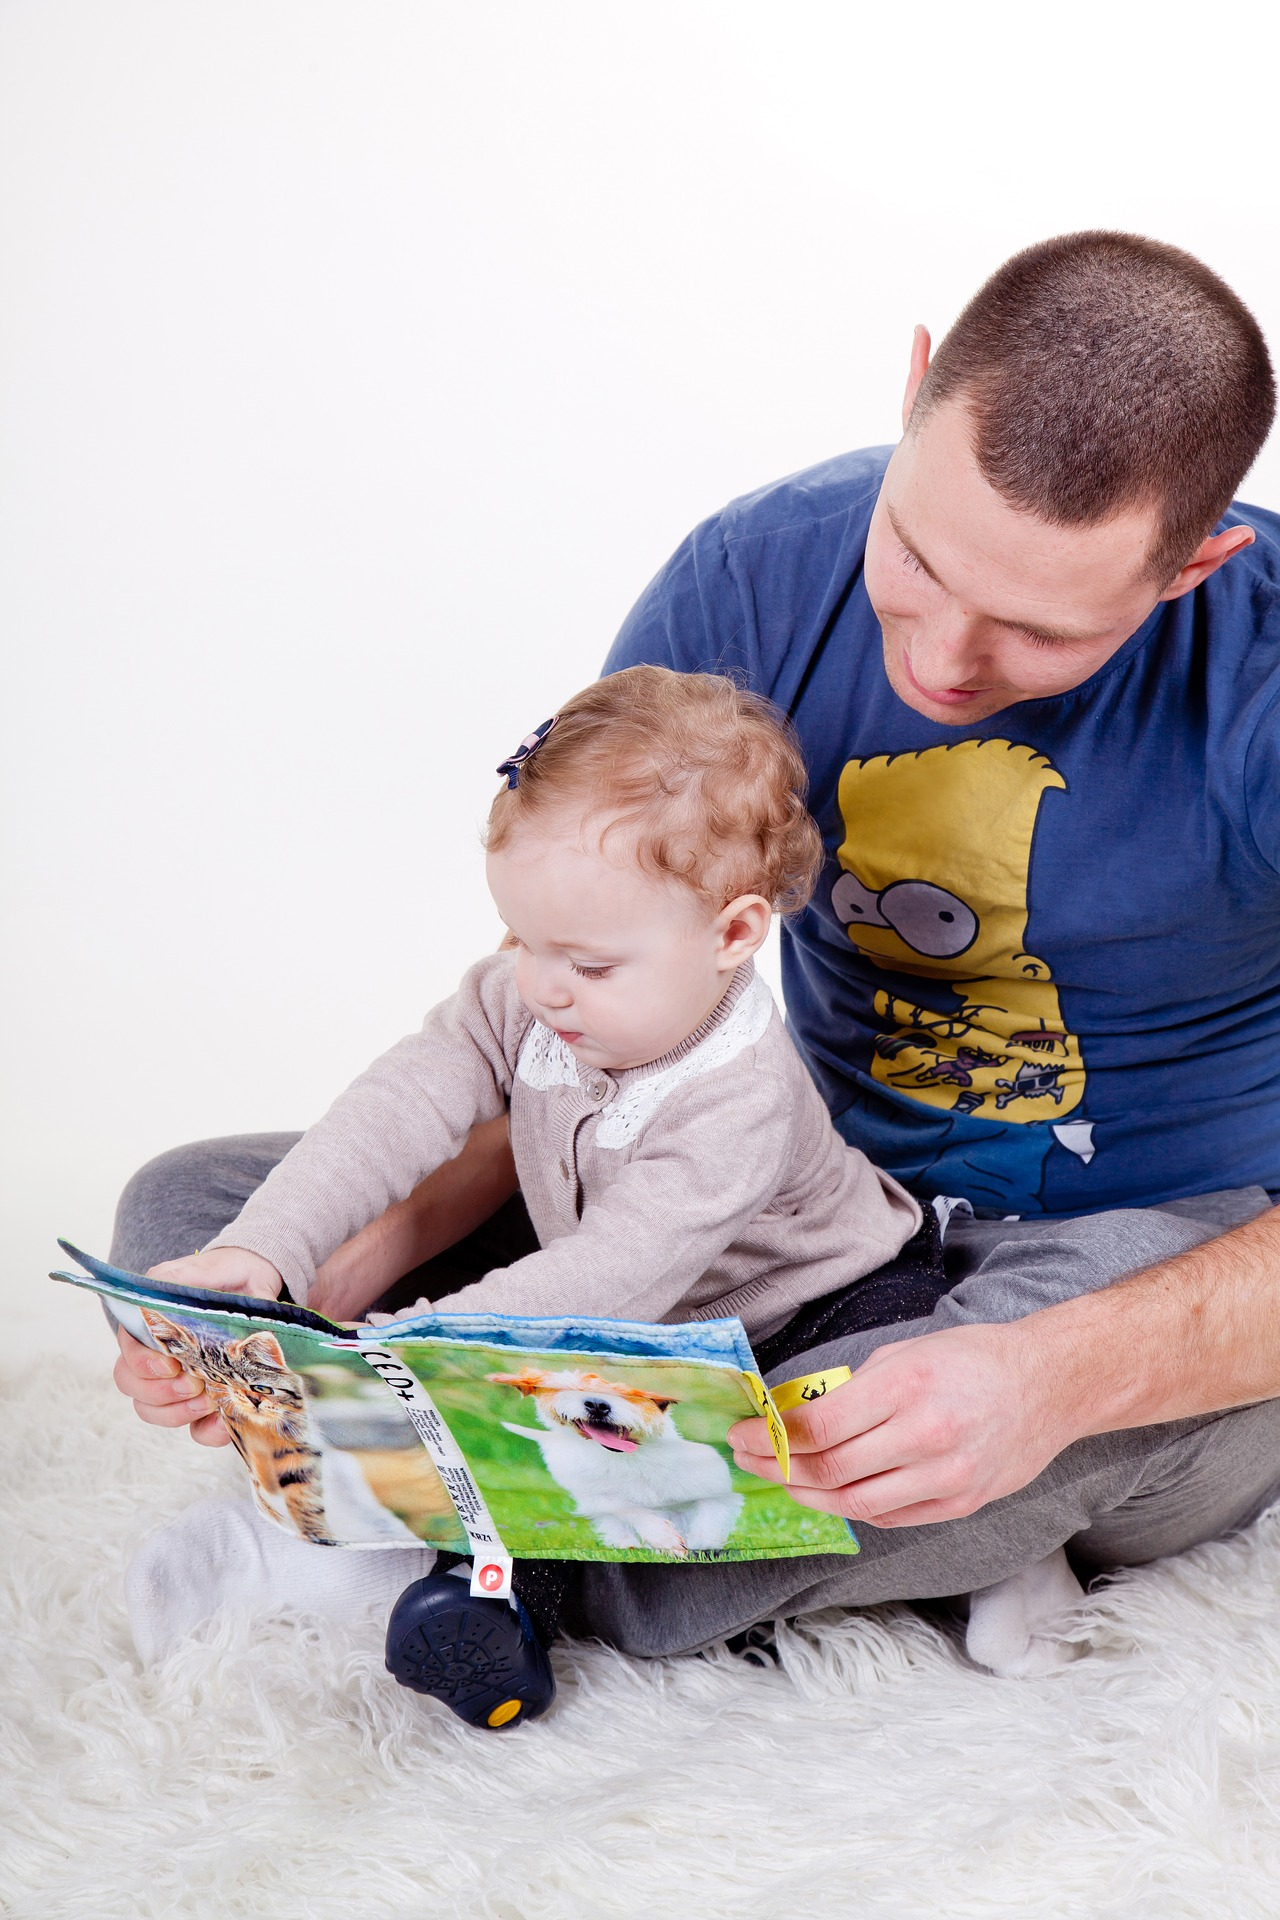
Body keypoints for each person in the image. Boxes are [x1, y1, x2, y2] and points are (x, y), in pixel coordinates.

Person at [114, 230, 1280, 1686]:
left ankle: (468, 1556)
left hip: (1143, 1260)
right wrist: (317, 1298)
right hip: (770, 1207)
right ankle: (753, 1528)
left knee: (968, 1415)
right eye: (913, 558)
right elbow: (569, 1022)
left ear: (1196, 564)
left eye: (1041, 630)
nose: (943, 658)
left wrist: (1054, 1380)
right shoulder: (751, 579)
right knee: (192, 1206)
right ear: (915, 389)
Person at [122, 664, 935, 1725]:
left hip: (815, 1307)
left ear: (731, 936)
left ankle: (983, 1573)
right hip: (614, 1324)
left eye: (590, 965)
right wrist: (267, 1247)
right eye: (523, 942)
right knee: (182, 1208)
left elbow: (609, 1275)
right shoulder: (529, 995)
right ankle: (431, 1582)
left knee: (810, 1437)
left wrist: (409, 1349)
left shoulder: (740, 1100)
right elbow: (397, 1108)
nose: (544, 987)